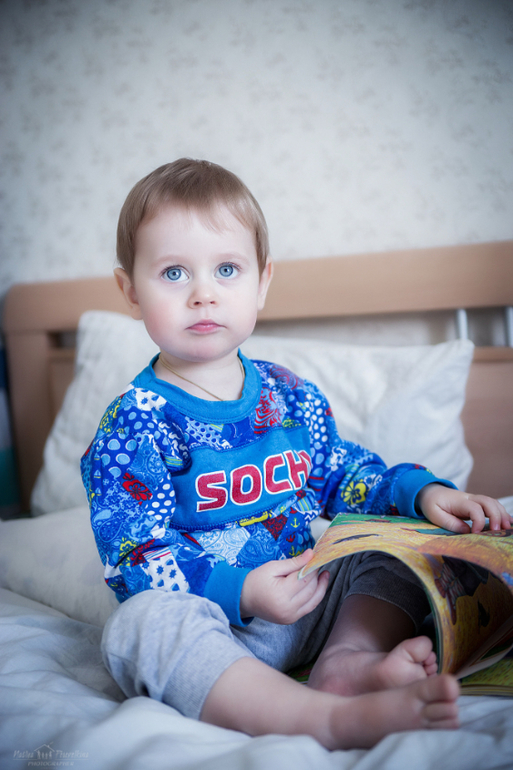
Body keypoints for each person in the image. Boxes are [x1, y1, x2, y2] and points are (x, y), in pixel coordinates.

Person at [81, 158, 510, 750]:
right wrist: (242, 591)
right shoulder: (134, 423)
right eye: (174, 273)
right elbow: (134, 554)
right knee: (139, 626)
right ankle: (315, 718)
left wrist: (423, 492)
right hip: (224, 625)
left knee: (404, 541)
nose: (204, 294)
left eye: (226, 269)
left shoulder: (288, 394)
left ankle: (348, 660)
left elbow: (343, 474)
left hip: (316, 593)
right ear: (131, 290)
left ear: (261, 282)